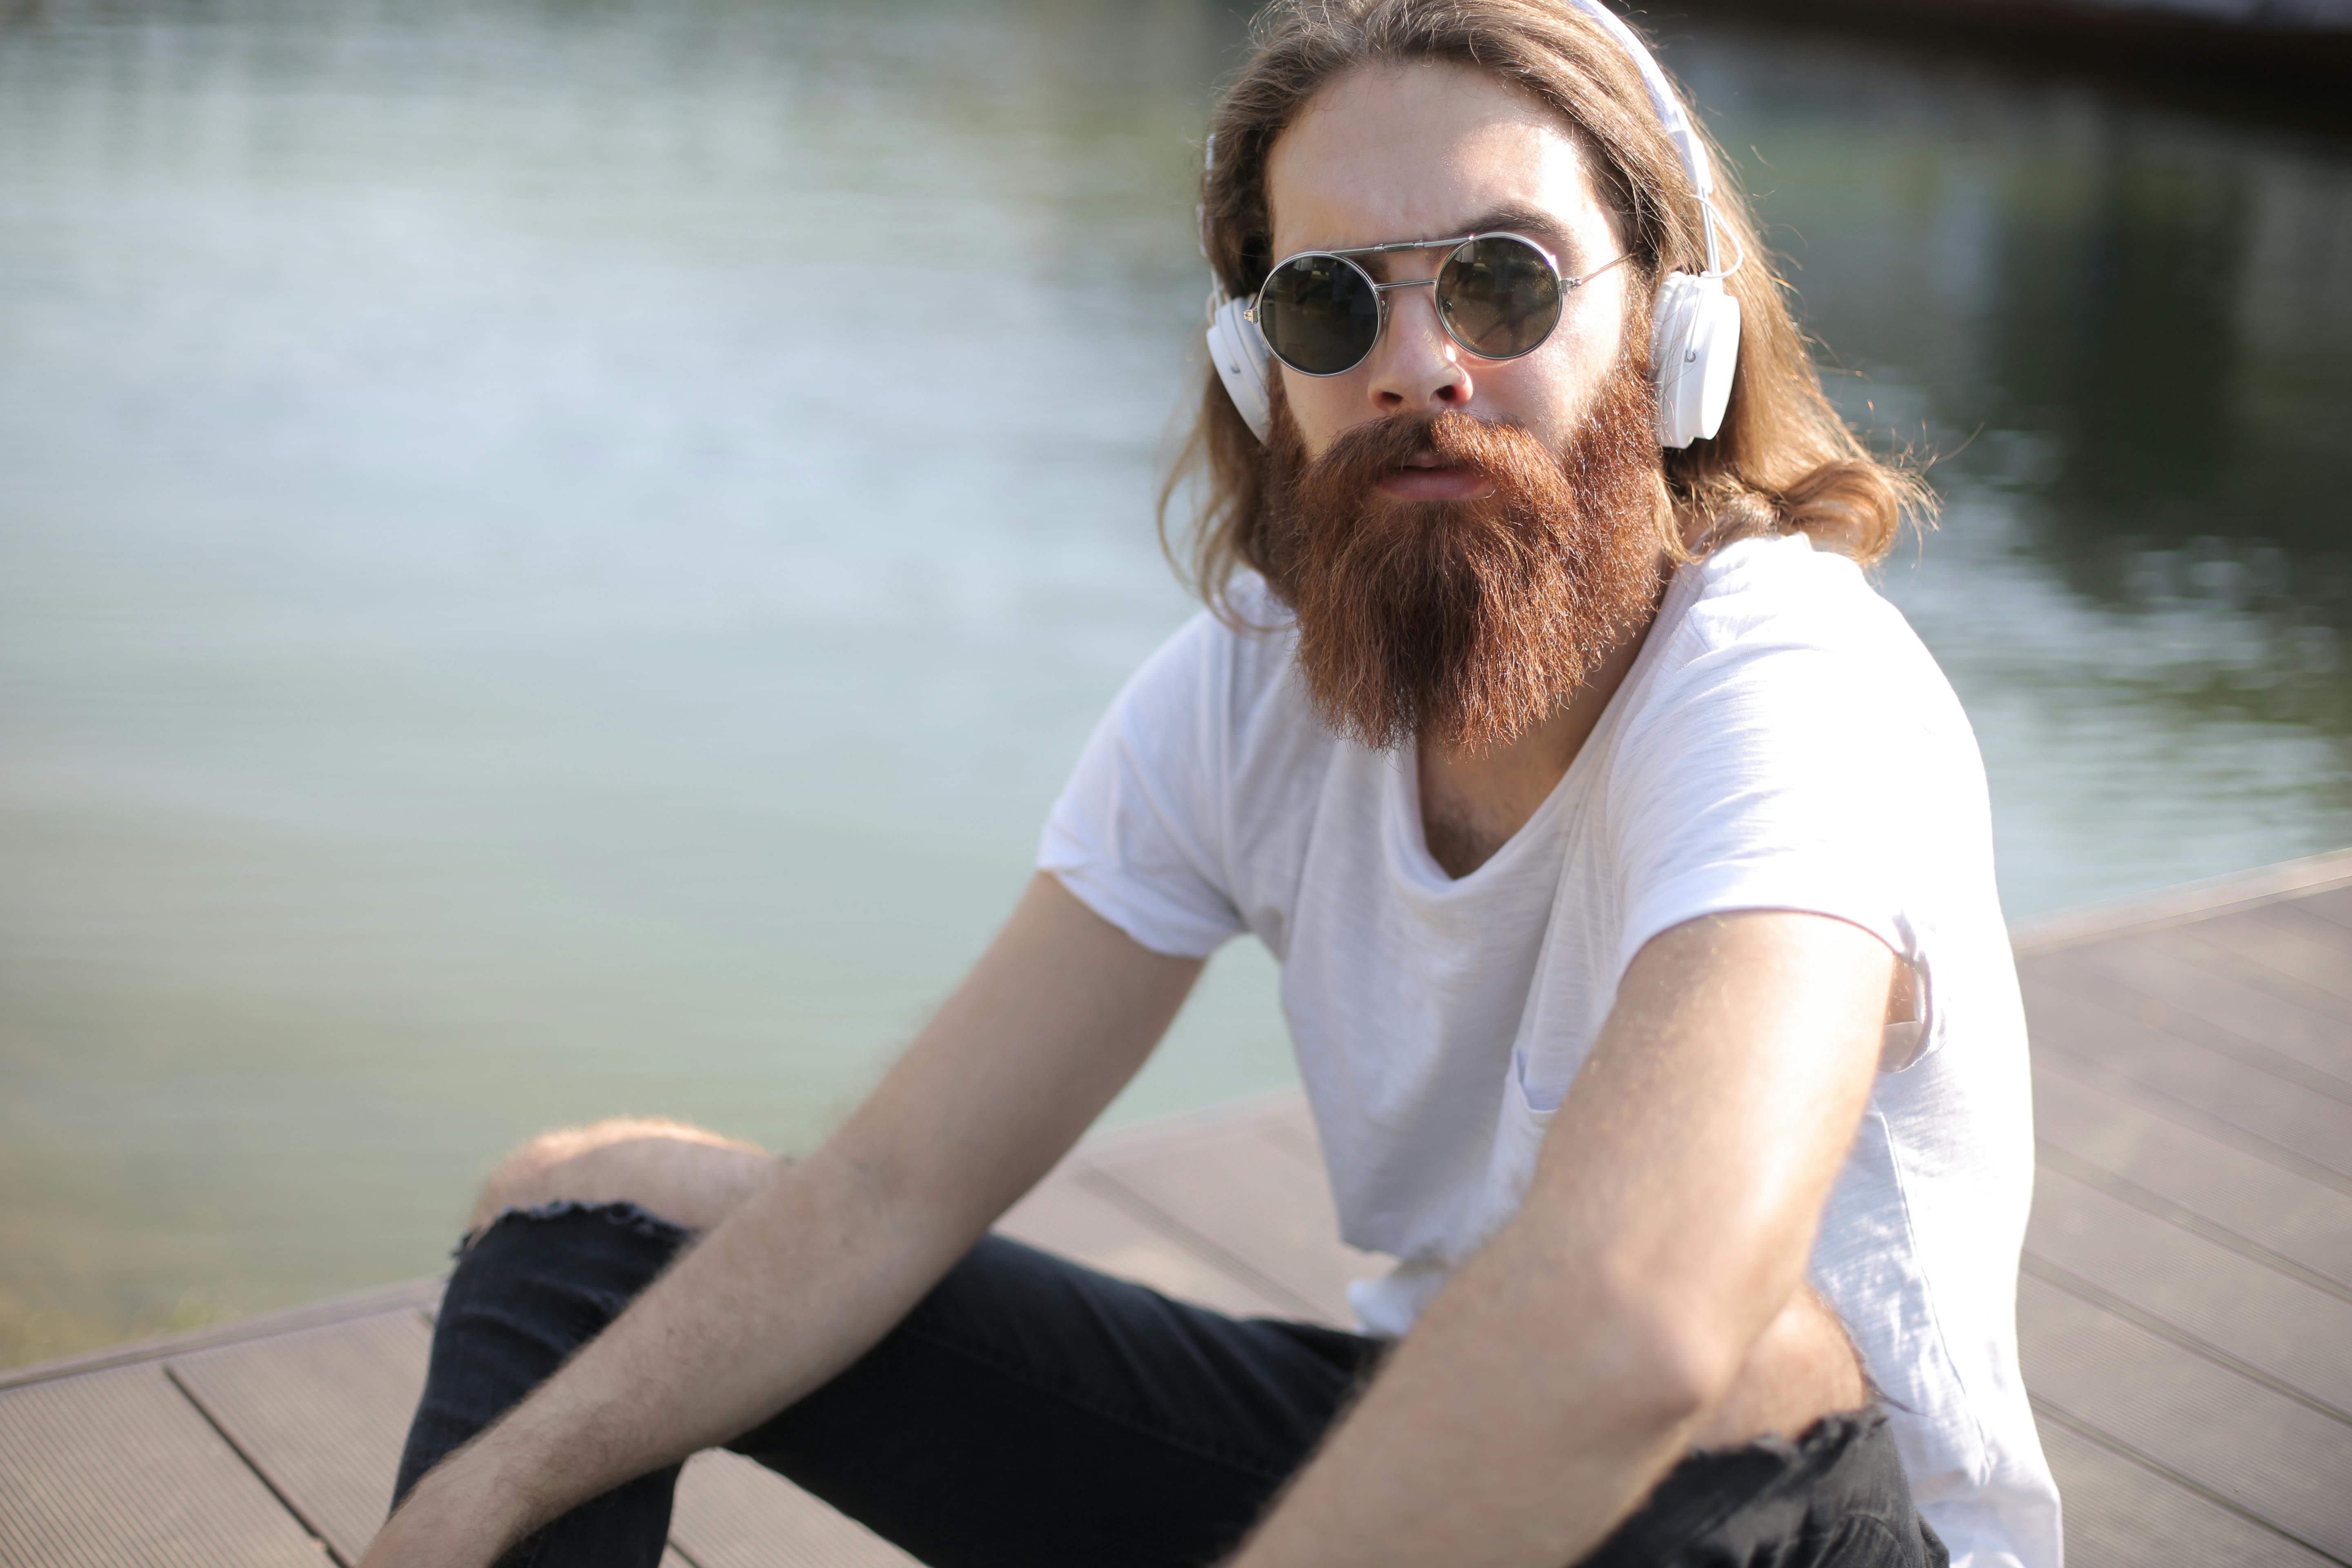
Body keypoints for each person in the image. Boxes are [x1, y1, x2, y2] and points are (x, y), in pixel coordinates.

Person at [363, 2, 2062, 1565]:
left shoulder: (1789, 684)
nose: (1418, 366)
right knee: (584, 1220)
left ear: (1675, 334)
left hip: (1799, 1521)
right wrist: (493, 1490)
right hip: (1435, 1481)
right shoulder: (1253, 692)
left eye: (1504, 280)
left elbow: (1648, 1328)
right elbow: (893, 1191)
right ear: (1267, 375)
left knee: (1725, 1361)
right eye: (1332, 302)